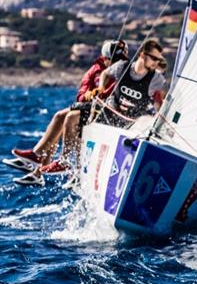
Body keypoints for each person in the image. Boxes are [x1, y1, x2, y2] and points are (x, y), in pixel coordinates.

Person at [11, 40, 128, 185]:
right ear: (104, 59)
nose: (116, 64)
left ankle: (54, 163)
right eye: (113, 60)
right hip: (91, 107)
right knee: (59, 115)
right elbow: (81, 93)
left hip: (106, 112)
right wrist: (88, 94)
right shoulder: (95, 69)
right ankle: (39, 165)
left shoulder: (125, 71)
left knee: (70, 118)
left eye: (120, 60)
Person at [95, 39, 168, 127]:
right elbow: (105, 73)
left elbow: (166, 97)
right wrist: (101, 87)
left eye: (158, 60)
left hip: (133, 124)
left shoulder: (157, 78)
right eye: (154, 58)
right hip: (112, 113)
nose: (156, 63)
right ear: (142, 55)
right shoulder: (122, 66)